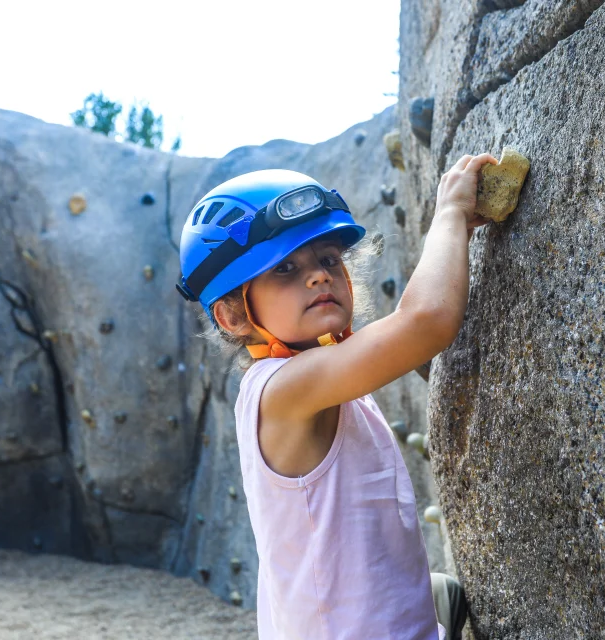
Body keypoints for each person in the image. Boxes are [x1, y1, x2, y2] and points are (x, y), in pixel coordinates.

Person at [177, 154, 497, 639]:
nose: (318, 275)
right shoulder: (281, 390)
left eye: (328, 260)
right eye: (284, 268)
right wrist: (450, 215)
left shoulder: (326, 382)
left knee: (437, 590)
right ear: (233, 317)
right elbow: (427, 321)